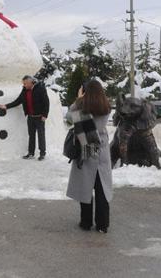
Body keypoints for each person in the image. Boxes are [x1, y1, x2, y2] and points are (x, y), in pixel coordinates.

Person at [66, 80, 113, 234]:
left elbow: (69, 118)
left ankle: (86, 222)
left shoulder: (81, 107)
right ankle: (102, 224)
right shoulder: (105, 106)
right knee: (102, 189)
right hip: (102, 148)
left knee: (85, 186)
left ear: (84, 91)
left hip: (86, 146)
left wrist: (78, 99)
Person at [0, 75, 50, 160]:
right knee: (31, 135)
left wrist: (45, 115)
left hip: (39, 117)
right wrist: (6, 106)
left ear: (31, 82)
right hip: (30, 117)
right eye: (23, 83)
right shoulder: (24, 90)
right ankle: (31, 153)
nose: (24, 85)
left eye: (25, 83)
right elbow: (18, 101)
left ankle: (42, 153)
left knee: (41, 135)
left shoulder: (40, 88)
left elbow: (46, 102)